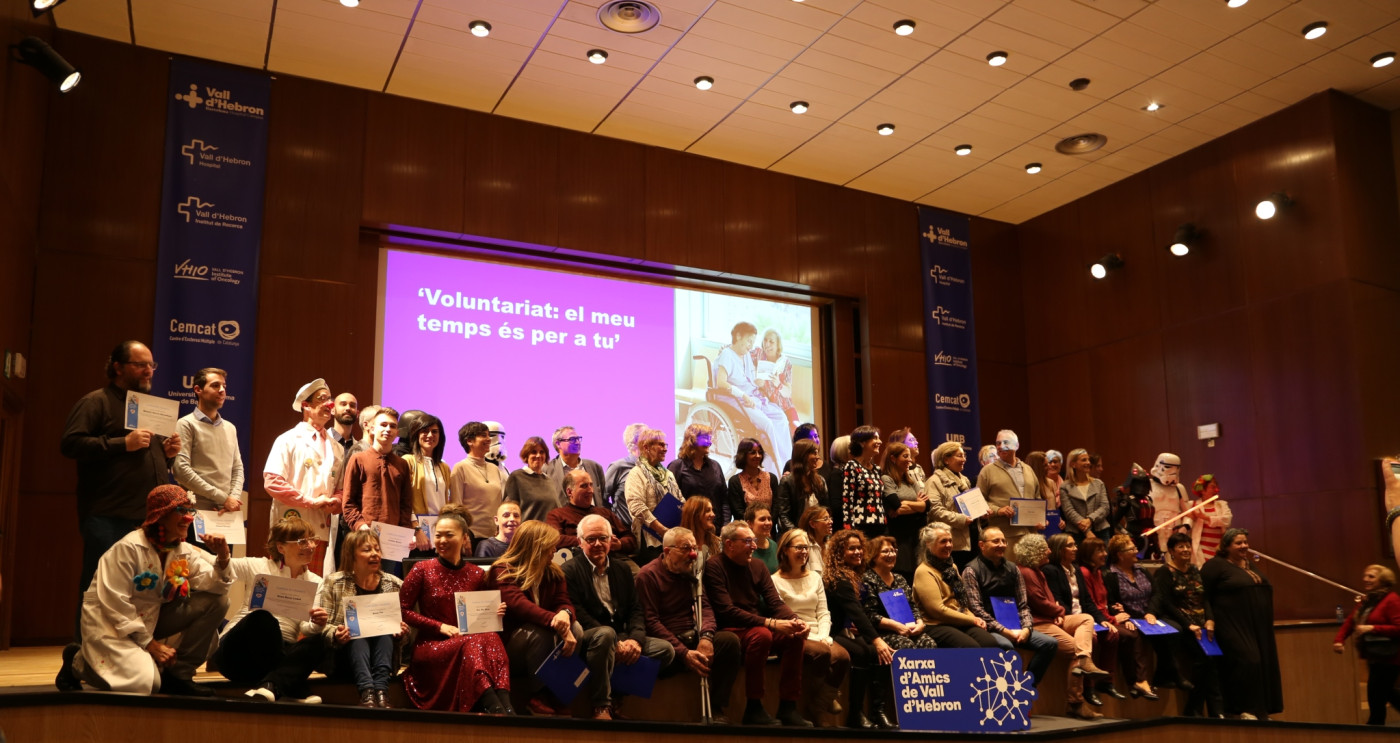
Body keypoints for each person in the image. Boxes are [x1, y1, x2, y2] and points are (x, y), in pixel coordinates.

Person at [56, 485, 230, 695]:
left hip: (150, 622)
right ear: (161, 515)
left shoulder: (181, 550)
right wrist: (151, 645)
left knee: (218, 601)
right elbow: (114, 603)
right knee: (146, 683)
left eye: (190, 511)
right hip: (111, 625)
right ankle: (78, 662)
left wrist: (223, 556)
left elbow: (217, 585)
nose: (188, 517)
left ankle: (178, 674)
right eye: (181, 511)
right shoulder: (128, 548)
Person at [61, 341, 183, 636]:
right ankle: (84, 651)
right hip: (108, 515)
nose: (148, 371)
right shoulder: (96, 402)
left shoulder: (147, 407)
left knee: (143, 590)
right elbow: (71, 444)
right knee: (98, 586)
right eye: (140, 365)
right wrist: (122, 443)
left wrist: (166, 453)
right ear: (118, 367)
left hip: (147, 520)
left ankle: (132, 648)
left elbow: (142, 457)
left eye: (151, 365)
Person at [399, 504, 513, 715]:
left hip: (468, 643)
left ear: (465, 538)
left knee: (491, 638)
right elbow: (402, 610)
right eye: (438, 535)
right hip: (432, 645)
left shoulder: (477, 574)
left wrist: (494, 613)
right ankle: (498, 710)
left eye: (449, 535)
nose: (442, 540)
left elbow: (482, 620)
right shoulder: (422, 569)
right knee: (474, 644)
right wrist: (439, 626)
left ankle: (504, 706)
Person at [562, 514, 676, 719]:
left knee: (666, 651)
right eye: (591, 539)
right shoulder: (569, 571)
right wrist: (615, 642)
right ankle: (601, 705)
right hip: (591, 637)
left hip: (621, 637)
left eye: (603, 538)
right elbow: (579, 613)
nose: (598, 544)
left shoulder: (622, 569)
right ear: (580, 542)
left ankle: (617, 693)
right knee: (605, 635)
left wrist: (635, 640)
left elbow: (635, 610)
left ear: (611, 540)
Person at [704, 520, 810, 727]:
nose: (754, 546)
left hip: (756, 626)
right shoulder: (714, 566)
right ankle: (754, 706)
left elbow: (774, 602)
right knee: (763, 635)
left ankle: (788, 706)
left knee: (794, 637)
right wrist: (771, 623)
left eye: (753, 540)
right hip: (730, 628)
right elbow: (727, 611)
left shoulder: (758, 566)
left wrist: (795, 621)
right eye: (747, 541)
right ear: (729, 544)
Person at [635, 527, 742, 725]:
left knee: (729, 642)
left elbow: (705, 607)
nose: (692, 554)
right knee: (663, 654)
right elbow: (651, 621)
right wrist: (684, 653)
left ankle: (717, 707)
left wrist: (706, 637)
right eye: (685, 549)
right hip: (669, 642)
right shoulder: (648, 575)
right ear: (667, 551)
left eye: (694, 548)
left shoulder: (693, 571)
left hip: (693, 636)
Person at [214, 516, 326, 704]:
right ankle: (290, 686)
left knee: (321, 640)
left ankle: (270, 685)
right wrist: (224, 555)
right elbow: (223, 567)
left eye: (312, 540)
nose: (311, 546)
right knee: (262, 618)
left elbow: (306, 628)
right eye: (302, 541)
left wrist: (317, 624)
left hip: (277, 653)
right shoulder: (259, 566)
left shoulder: (316, 582)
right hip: (238, 653)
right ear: (281, 548)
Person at [490, 520, 584, 716]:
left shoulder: (554, 571)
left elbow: (564, 601)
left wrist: (565, 614)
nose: (554, 551)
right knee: (540, 633)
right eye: (551, 547)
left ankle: (559, 693)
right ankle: (538, 696)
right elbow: (520, 606)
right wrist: (555, 620)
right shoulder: (502, 571)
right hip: (510, 645)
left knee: (576, 629)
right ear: (536, 547)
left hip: (544, 636)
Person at [310, 529, 407, 707]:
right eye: (367, 550)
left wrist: (402, 632)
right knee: (357, 631)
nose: (375, 554)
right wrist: (336, 633)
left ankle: (381, 691)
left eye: (377, 549)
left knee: (385, 630)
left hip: (382, 658)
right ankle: (367, 691)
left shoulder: (394, 584)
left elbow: (407, 633)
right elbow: (322, 627)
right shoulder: (334, 582)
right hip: (344, 659)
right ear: (351, 555)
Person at [1013, 534, 1104, 720]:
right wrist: (1059, 611)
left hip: (1050, 618)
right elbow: (1039, 602)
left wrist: (1056, 613)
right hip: (1036, 623)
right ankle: (1075, 703)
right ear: (1034, 552)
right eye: (1045, 549)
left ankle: (1085, 660)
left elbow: (1050, 600)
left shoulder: (1038, 571)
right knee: (1077, 650)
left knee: (1086, 618)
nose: (1049, 551)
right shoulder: (1026, 572)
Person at [960, 527, 1060, 686]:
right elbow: (976, 609)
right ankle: (1011, 691)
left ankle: (1026, 687)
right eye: (995, 541)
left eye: (1003, 541)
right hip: (989, 628)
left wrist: (1027, 628)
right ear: (982, 545)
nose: (1001, 545)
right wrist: (1004, 631)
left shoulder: (1013, 569)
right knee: (1007, 647)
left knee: (1049, 644)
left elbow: (1023, 605)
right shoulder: (971, 570)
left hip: (1016, 626)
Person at [263, 378, 343, 574]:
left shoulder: (337, 447)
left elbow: (340, 488)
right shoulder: (287, 440)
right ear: (306, 406)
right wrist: (310, 502)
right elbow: (272, 482)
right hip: (289, 530)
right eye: (322, 399)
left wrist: (336, 501)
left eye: (330, 399)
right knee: (283, 582)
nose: (329, 404)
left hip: (319, 531)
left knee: (312, 584)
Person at [1201, 528, 1282, 720]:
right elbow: (1203, 595)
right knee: (1249, 660)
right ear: (1226, 546)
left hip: (1257, 625)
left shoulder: (1248, 564)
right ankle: (1243, 708)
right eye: (1238, 543)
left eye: (1245, 542)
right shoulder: (1214, 565)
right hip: (1230, 623)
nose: (1244, 546)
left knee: (1263, 664)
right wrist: (1209, 619)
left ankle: (1261, 709)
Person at [770, 529, 848, 726]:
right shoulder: (775, 580)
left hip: (819, 633)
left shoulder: (814, 577)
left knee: (843, 657)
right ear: (785, 550)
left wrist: (824, 635)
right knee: (822, 653)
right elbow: (782, 615)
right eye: (799, 547)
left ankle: (820, 701)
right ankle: (821, 705)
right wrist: (814, 638)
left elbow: (823, 612)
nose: (804, 552)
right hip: (795, 632)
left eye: (806, 548)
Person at [822, 529, 891, 729]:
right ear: (839, 553)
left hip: (848, 630)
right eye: (851, 549)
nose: (858, 552)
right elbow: (856, 612)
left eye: (859, 548)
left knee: (876, 653)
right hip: (831, 632)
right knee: (863, 652)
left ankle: (877, 711)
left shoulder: (853, 574)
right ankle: (855, 713)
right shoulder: (839, 578)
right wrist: (876, 640)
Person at [1149, 531, 1223, 717]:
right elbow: (1166, 603)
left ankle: (1204, 710)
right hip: (1184, 625)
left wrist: (1210, 619)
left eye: (1188, 546)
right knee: (1204, 660)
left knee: (1212, 663)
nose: (1186, 549)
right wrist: (1188, 624)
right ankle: (1202, 710)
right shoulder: (1165, 572)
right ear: (1171, 551)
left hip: (1203, 625)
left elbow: (1204, 598)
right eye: (1180, 546)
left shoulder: (1195, 569)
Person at [340, 407, 415, 576]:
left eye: (392, 426)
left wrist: (406, 534)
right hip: (363, 537)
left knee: (386, 584)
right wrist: (361, 526)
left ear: (397, 432)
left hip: (392, 541)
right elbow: (348, 502)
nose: (388, 429)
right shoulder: (358, 459)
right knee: (361, 584)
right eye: (383, 425)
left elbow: (406, 505)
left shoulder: (402, 464)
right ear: (372, 429)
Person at [172, 367, 243, 544]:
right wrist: (223, 498)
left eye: (224, 386)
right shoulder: (186, 424)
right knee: (196, 561)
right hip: (197, 513)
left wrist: (233, 499)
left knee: (224, 561)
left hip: (226, 514)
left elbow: (237, 468)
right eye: (215, 385)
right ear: (198, 390)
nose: (222, 390)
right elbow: (181, 470)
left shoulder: (230, 428)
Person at [714, 321, 791, 476]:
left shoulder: (747, 355)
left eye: (753, 342)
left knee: (781, 418)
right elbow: (721, 383)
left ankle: (788, 463)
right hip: (736, 399)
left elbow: (749, 379)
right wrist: (742, 394)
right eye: (749, 341)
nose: (751, 346)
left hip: (752, 396)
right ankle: (776, 471)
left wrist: (758, 383)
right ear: (738, 336)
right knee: (768, 424)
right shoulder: (727, 354)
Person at [859, 537, 937, 692]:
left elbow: (913, 606)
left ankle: (928, 693)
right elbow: (869, 615)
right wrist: (896, 626)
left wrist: (920, 623)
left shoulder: (900, 579)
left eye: (893, 551)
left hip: (908, 629)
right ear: (873, 556)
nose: (891, 554)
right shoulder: (867, 579)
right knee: (906, 647)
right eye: (885, 551)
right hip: (882, 632)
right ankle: (907, 693)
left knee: (929, 644)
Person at [912, 523, 1001, 649]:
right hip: (936, 624)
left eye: (950, 541)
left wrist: (974, 618)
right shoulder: (924, 571)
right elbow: (937, 611)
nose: (948, 545)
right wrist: (972, 620)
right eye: (943, 541)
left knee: (990, 643)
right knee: (971, 647)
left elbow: (961, 603)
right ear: (928, 544)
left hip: (958, 619)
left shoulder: (952, 567)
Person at [1333, 564, 1400, 725]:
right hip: (1374, 655)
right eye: (1365, 575)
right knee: (1385, 693)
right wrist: (1339, 640)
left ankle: (1374, 728)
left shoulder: (1392, 600)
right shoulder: (1368, 600)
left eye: (1371, 576)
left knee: (1376, 695)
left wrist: (1373, 628)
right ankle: (1376, 727)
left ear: (1383, 580)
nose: (1366, 579)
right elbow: (1351, 621)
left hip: (1390, 656)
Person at [1104, 534, 1165, 699]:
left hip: (1148, 617)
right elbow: (1111, 602)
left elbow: (1157, 594)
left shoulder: (1141, 570)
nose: (1136, 551)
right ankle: (1139, 681)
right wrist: (1126, 618)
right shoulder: (1111, 575)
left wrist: (1151, 612)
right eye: (1132, 549)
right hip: (1129, 619)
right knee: (1133, 635)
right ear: (1120, 555)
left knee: (1172, 633)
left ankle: (1164, 678)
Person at [1076, 535, 1126, 701]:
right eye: (1099, 551)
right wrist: (1112, 619)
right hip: (1089, 617)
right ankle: (1088, 686)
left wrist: (1115, 610)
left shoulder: (1098, 572)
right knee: (1097, 637)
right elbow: (1090, 603)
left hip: (1102, 616)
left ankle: (1107, 682)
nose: (1104, 554)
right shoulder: (1084, 572)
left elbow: (1102, 602)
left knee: (1115, 635)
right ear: (1088, 554)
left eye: (1104, 550)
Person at [625, 428, 685, 565]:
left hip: (672, 537)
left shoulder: (668, 474)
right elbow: (636, 506)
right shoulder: (636, 473)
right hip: (651, 540)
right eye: (661, 445)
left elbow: (680, 499)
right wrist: (661, 530)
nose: (665, 449)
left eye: (666, 445)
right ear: (646, 447)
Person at [975, 430, 1039, 550]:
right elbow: (978, 502)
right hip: (1004, 537)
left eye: (1006, 442)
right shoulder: (987, 471)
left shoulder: (1028, 469)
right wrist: (998, 510)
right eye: (998, 443)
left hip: (1031, 535)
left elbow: (1037, 499)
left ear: (1017, 445)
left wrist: (1040, 518)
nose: (1001, 446)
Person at [548, 469, 636, 555]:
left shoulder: (605, 513)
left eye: (591, 485)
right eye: (584, 486)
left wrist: (619, 544)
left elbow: (630, 539)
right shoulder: (557, 515)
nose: (591, 490)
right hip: (579, 560)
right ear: (569, 492)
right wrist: (590, 540)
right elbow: (555, 540)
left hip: (614, 559)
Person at [401, 412, 453, 556]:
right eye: (425, 431)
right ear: (416, 434)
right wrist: (416, 530)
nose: (430, 435)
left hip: (439, 532)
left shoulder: (444, 467)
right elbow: (403, 500)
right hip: (417, 535)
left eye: (434, 431)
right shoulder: (408, 461)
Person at [452, 421, 508, 544]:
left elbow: (499, 503)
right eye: (483, 435)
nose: (489, 439)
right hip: (471, 536)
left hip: (495, 536)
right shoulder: (460, 468)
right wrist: (463, 536)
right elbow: (456, 507)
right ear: (469, 441)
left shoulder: (494, 468)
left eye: (488, 435)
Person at [667, 422, 727, 533]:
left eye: (710, 438)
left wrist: (725, 525)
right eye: (705, 438)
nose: (709, 442)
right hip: (687, 529)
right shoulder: (677, 466)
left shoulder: (715, 466)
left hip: (714, 529)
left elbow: (724, 499)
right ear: (692, 440)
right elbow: (670, 501)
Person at [925, 441, 975, 569]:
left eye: (964, 455)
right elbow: (935, 510)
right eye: (959, 456)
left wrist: (982, 514)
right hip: (950, 543)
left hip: (970, 541)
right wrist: (961, 519)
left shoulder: (965, 480)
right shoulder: (934, 481)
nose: (964, 459)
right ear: (946, 459)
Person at [879, 441, 926, 577]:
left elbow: (926, 506)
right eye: (905, 456)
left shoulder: (911, 480)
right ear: (893, 458)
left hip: (914, 534)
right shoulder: (886, 478)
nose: (910, 460)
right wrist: (917, 505)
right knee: (902, 573)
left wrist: (906, 503)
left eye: (910, 456)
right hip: (898, 535)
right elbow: (896, 506)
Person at [545, 425, 606, 509]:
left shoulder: (594, 467)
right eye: (572, 439)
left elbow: (603, 498)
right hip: (564, 516)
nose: (577, 442)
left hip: (593, 516)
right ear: (558, 444)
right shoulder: (547, 470)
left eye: (578, 439)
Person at [840, 426, 886, 538]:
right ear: (862, 443)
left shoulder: (876, 469)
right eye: (875, 438)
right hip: (861, 525)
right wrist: (849, 531)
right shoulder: (852, 466)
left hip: (880, 524)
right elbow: (847, 501)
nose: (880, 442)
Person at [503, 436, 559, 524]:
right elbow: (509, 510)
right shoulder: (517, 477)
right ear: (526, 455)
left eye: (542, 452)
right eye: (534, 452)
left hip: (548, 531)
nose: (538, 455)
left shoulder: (548, 480)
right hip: (527, 531)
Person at [775, 439, 827, 535]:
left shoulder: (821, 481)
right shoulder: (787, 482)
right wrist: (798, 535)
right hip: (795, 535)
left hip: (817, 534)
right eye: (814, 453)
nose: (817, 457)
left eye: (817, 453)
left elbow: (825, 510)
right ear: (803, 455)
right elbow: (784, 516)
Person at [1060, 448, 1110, 544]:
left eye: (1088, 460)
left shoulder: (1099, 483)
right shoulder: (1065, 487)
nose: (1088, 463)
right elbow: (1069, 511)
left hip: (1100, 532)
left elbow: (1105, 507)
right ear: (1073, 464)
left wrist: (1090, 520)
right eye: (1084, 460)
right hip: (1076, 534)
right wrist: (1087, 531)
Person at [726, 437, 778, 526]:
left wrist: (767, 523)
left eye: (760, 452)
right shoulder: (735, 481)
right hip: (746, 529)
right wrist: (755, 526)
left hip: (769, 528)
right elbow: (738, 511)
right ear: (743, 455)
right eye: (753, 452)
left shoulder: (771, 478)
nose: (758, 456)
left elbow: (776, 507)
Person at [1147, 453, 1190, 557]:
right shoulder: (1147, 485)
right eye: (1168, 467)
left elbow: (1189, 513)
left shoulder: (1179, 488)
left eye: (1176, 468)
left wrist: (1185, 526)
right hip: (1154, 530)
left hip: (1174, 530)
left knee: (1174, 558)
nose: (1173, 472)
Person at [1188, 474, 1232, 566]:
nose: (1216, 490)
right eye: (1213, 487)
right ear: (1203, 490)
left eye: (1216, 487)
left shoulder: (1221, 505)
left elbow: (1227, 520)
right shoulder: (1193, 505)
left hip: (1219, 549)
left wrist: (1205, 517)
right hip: (1201, 549)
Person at [604, 422, 648, 513]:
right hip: (623, 522)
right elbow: (602, 497)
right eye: (647, 436)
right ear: (635, 441)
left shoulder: (653, 468)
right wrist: (613, 517)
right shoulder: (618, 467)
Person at [681, 495, 721, 574]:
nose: (713, 514)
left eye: (712, 510)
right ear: (695, 514)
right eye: (708, 511)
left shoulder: (718, 543)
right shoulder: (679, 546)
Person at [797, 505, 833, 576]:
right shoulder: (804, 548)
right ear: (812, 524)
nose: (831, 521)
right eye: (825, 519)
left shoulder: (830, 546)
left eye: (830, 518)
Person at [825, 436, 850, 530]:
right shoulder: (837, 474)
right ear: (845, 452)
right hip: (842, 526)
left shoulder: (847, 472)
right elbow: (836, 507)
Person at [746, 505, 779, 573]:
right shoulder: (745, 547)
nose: (768, 523)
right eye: (762, 519)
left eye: (769, 519)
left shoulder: (774, 545)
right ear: (750, 524)